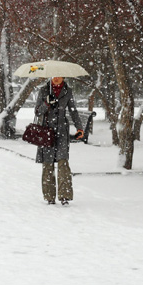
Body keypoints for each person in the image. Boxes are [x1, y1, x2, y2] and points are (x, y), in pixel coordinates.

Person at [35, 76, 84, 205]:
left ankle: (64, 196)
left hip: (62, 131)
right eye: (54, 76)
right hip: (46, 131)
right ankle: (49, 196)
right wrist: (46, 103)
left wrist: (79, 127)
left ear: (63, 77)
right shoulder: (43, 90)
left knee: (63, 162)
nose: (56, 78)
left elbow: (73, 111)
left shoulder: (68, 91)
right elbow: (37, 112)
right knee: (48, 164)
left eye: (59, 76)